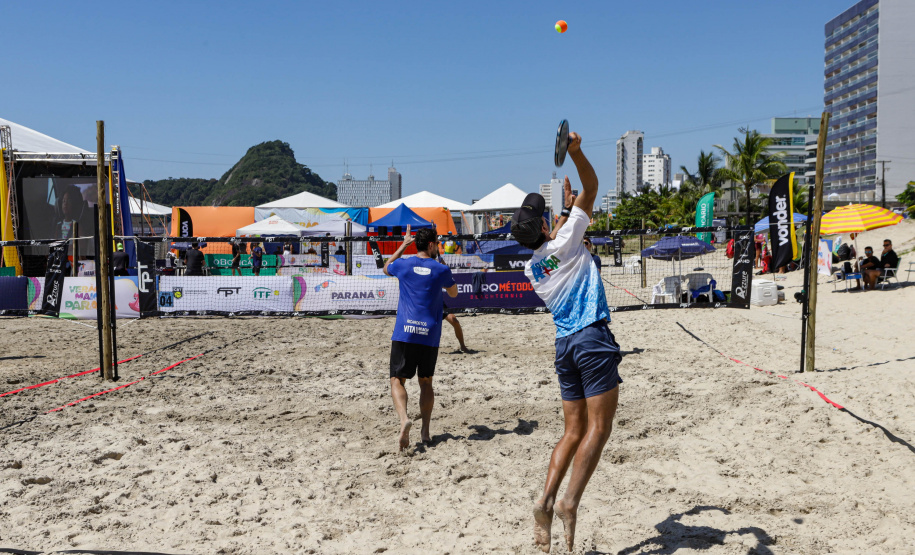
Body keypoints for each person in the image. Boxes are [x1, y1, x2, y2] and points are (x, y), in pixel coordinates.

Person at [511, 131, 622, 553]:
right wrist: (575, 152)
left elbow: (553, 244)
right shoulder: (568, 239)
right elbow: (594, 188)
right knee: (600, 428)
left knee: (571, 431)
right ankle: (569, 503)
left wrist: (564, 214)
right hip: (592, 338)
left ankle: (544, 499)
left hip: (564, 348)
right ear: (543, 225)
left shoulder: (531, 269)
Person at [384, 225, 458, 451]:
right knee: (426, 382)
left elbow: (386, 267)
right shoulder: (439, 269)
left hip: (405, 332)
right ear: (432, 245)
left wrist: (402, 245)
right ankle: (425, 431)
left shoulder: (404, 264)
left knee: (397, 379)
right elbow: (453, 294)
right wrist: (443, 265)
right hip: (430, 333)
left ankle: (404, 419)